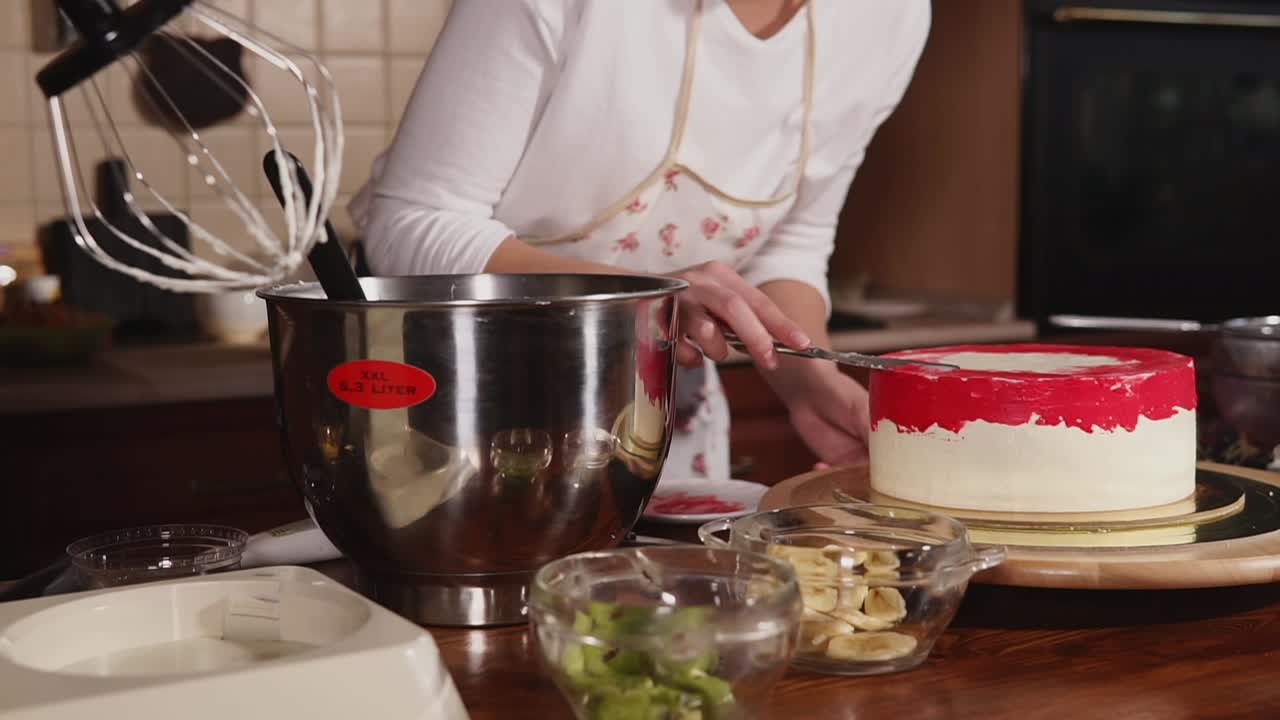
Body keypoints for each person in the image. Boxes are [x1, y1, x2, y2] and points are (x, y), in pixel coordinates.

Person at [350, 0, 930, 484]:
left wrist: (810, 381)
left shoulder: (890, 17)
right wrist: (646, 298)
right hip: (457, 403)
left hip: (658, 411)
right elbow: (410, 223)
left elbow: (790, 244)